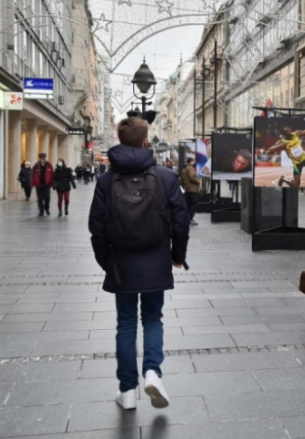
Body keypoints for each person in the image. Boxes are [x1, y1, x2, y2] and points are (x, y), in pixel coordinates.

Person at [88, 116, 189, 411]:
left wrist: (107, 261)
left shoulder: (106, 181)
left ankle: (127, 390)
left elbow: (96, 227)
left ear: (120, 141)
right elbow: (180, 221)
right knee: (153, 319)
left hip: (121, 261)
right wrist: (177, 255)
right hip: (156, 257)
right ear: (146, 141)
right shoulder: (166, 177)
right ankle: (153, 373)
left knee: (126, 323)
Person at [180, 157, 201, 227]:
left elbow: (181, 180)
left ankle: (187, 218)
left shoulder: (184, 169)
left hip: (187, 189)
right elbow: (192, 177)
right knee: (193, 204)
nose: (194, 162)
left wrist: (185, 186)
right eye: (194, 161)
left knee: (188, 204)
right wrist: (198, 181)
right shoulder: (190, 168)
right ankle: (189, 218)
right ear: (191, 161)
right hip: (193, 189)